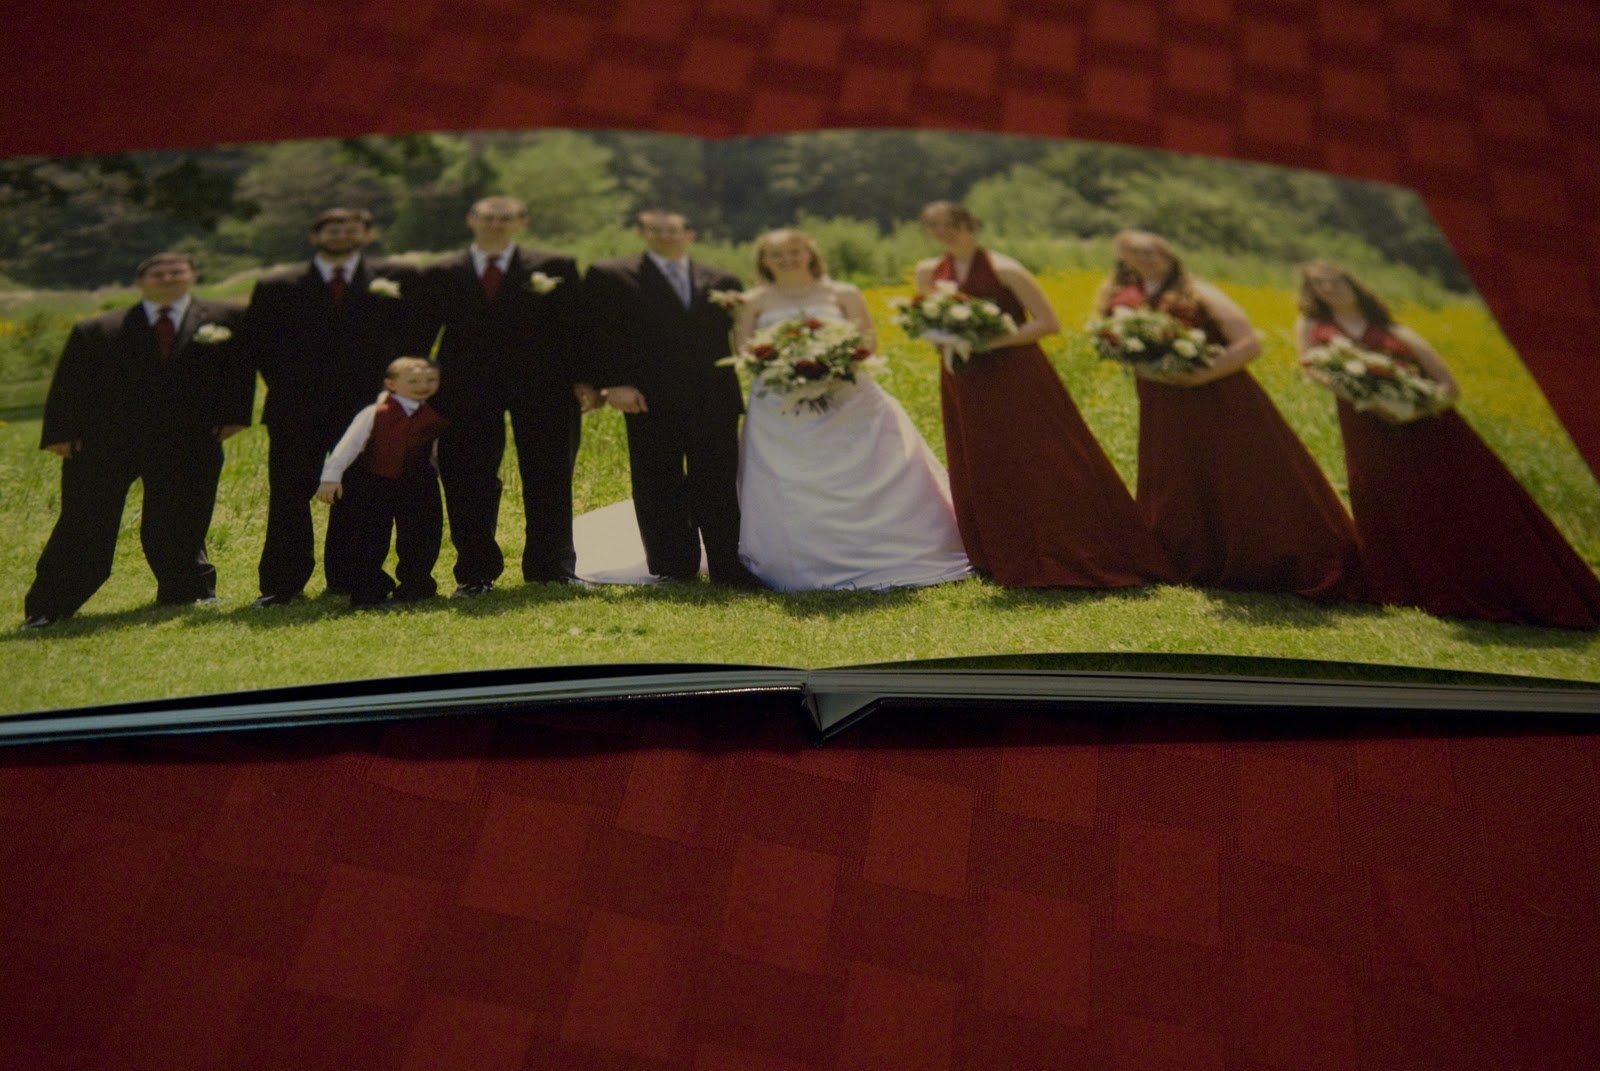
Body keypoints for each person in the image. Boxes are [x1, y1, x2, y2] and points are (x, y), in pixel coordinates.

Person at [1296, 261, 1600, 628]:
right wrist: (1367, 397)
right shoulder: (1313, 327)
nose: (1329, 288)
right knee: (1383, 497)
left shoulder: (1395, 331)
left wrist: (1410, 408)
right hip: (1365, 426)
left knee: (1456, 503)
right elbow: (1311, 366)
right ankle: (1405, 586)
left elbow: (1448, 387)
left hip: (1431, 428)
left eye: (1335, 280)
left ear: (1352, 282)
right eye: (1319, 285)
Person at [914, 202, 1171, 588]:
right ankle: (999, 552)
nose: (944, 232)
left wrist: (989, 340)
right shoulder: (927, 272)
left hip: (1014, 375)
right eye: (935, 226)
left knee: (1039, 455)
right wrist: (945, 339)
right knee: (983, 458)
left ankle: (1072, 545)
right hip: (962, 379)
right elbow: (927, 322)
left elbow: (1048, 323)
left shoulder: (1006, 268)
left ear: (970, 224)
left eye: (951, 224)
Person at [1095, 229, 1361, 599]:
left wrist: (1202, 373)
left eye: (1151, 250)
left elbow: (1248, 344)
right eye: (1134, 252)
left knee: (1245, 470)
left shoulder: (1198, 291)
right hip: (1163, 402)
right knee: (1179, 474)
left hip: (1221, 397)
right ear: (1123, 258)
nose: (1145, 257)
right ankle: (1193, 556)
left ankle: (1277, 556)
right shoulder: (1125, 298)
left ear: (1168, 252)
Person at [732, 228, 971, 591]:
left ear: (810, 252)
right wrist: (789, 367)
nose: (787, 259)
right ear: (763, 261)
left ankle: (898, 549)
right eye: (777, 254)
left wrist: (833, 362)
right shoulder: (753, 301)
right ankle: (799, 557)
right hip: (781, 403)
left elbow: (869, 341)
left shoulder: (843, 292)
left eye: (795, 250)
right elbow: (744, 351)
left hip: (849, 397)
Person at [22, 253, 252, 628]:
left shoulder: (224, 319)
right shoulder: (98, 329)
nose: (167, 278)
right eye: (157, 273)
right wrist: (61, 433)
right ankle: (49, 606)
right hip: (105, 443)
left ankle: (188, 590)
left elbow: (239, 370)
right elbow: (69, 384)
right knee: (84, 523)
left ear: (193, 276)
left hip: (189, 439)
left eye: (176, 271)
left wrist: (235, 415)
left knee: (183, 519)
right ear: (139, 282)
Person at [408, 196, 588, 595]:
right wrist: (413, 388)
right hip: (463, 387)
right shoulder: (440, 272)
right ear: (471, 220)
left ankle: (552, 568)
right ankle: (475, 573)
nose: (496, 225)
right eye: (488, 218)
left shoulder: (555, 266)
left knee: (550, 476)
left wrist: (586, 381)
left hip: (544, 386)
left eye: (505, 219)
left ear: (522, 222)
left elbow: (577, 329)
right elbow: (418, 336)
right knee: (468, 479)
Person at [241, 207, 416, 608]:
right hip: (295, 409)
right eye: (331, 228)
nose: (341, 234)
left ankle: (350, 577)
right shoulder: (277, 285)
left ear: (367, 234)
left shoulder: (394, 280)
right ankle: (281, 585)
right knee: (289, 496)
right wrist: (285, 384)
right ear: (314, 236)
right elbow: (255, 346)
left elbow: (408, 340)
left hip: (366, 409)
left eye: (351, 228)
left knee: (360, 496)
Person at [580, 210, 760, 587]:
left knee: (718, 482)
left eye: (673, 230)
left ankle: (727, 563)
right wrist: (613, 384)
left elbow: (747, 333)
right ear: (642, 233)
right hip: (646, 396)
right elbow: (596, 333)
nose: (665, 236)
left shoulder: (722, 279)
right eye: (655, 230)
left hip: (714, 396)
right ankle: (674, 566)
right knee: (657, 481)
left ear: (689, 233)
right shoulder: (611, 275)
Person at [316, 357, 448, 608]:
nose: (422, 386)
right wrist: (331, 477)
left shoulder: (432, 414)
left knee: (422, 534)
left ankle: (416, 584)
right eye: (413, 381)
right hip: (377, 482)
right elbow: (349, 445)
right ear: (391, 384)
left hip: (418, 482)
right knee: (370, 536)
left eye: (430, 380)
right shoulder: (375, 413)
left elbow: (437, 451)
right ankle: (369, 588)